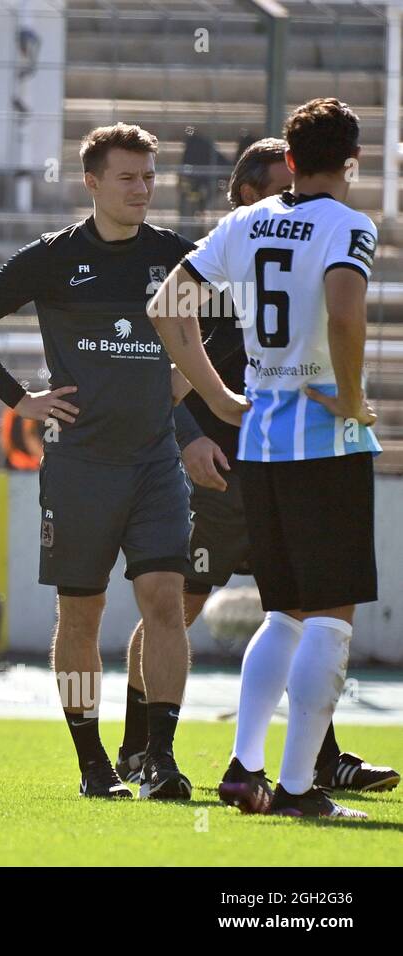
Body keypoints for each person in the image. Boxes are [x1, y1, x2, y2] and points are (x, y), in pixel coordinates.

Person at [120, 137, 397, 795]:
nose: (292, 202)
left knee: (296, 613)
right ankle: (143, 747)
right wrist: (189, 436)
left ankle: (316, 762)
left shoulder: (286, 256)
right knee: (176, 607)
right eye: (277, 189)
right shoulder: (224, 278)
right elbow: (167, 375)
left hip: (275, 458)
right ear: (247, 194)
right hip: (223, 474)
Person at [0, 124, 196, 800]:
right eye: (127, 177)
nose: (142, 188)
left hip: (154, 463)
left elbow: (231, 322)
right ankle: (92, 764)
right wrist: (21, 400)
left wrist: (187, 381)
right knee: (80, 617)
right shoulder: (53, 257)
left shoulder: (177, 257)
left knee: (165, 601)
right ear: (91, 182)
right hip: (79, 468)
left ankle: (161, 759)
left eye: (149, 176)